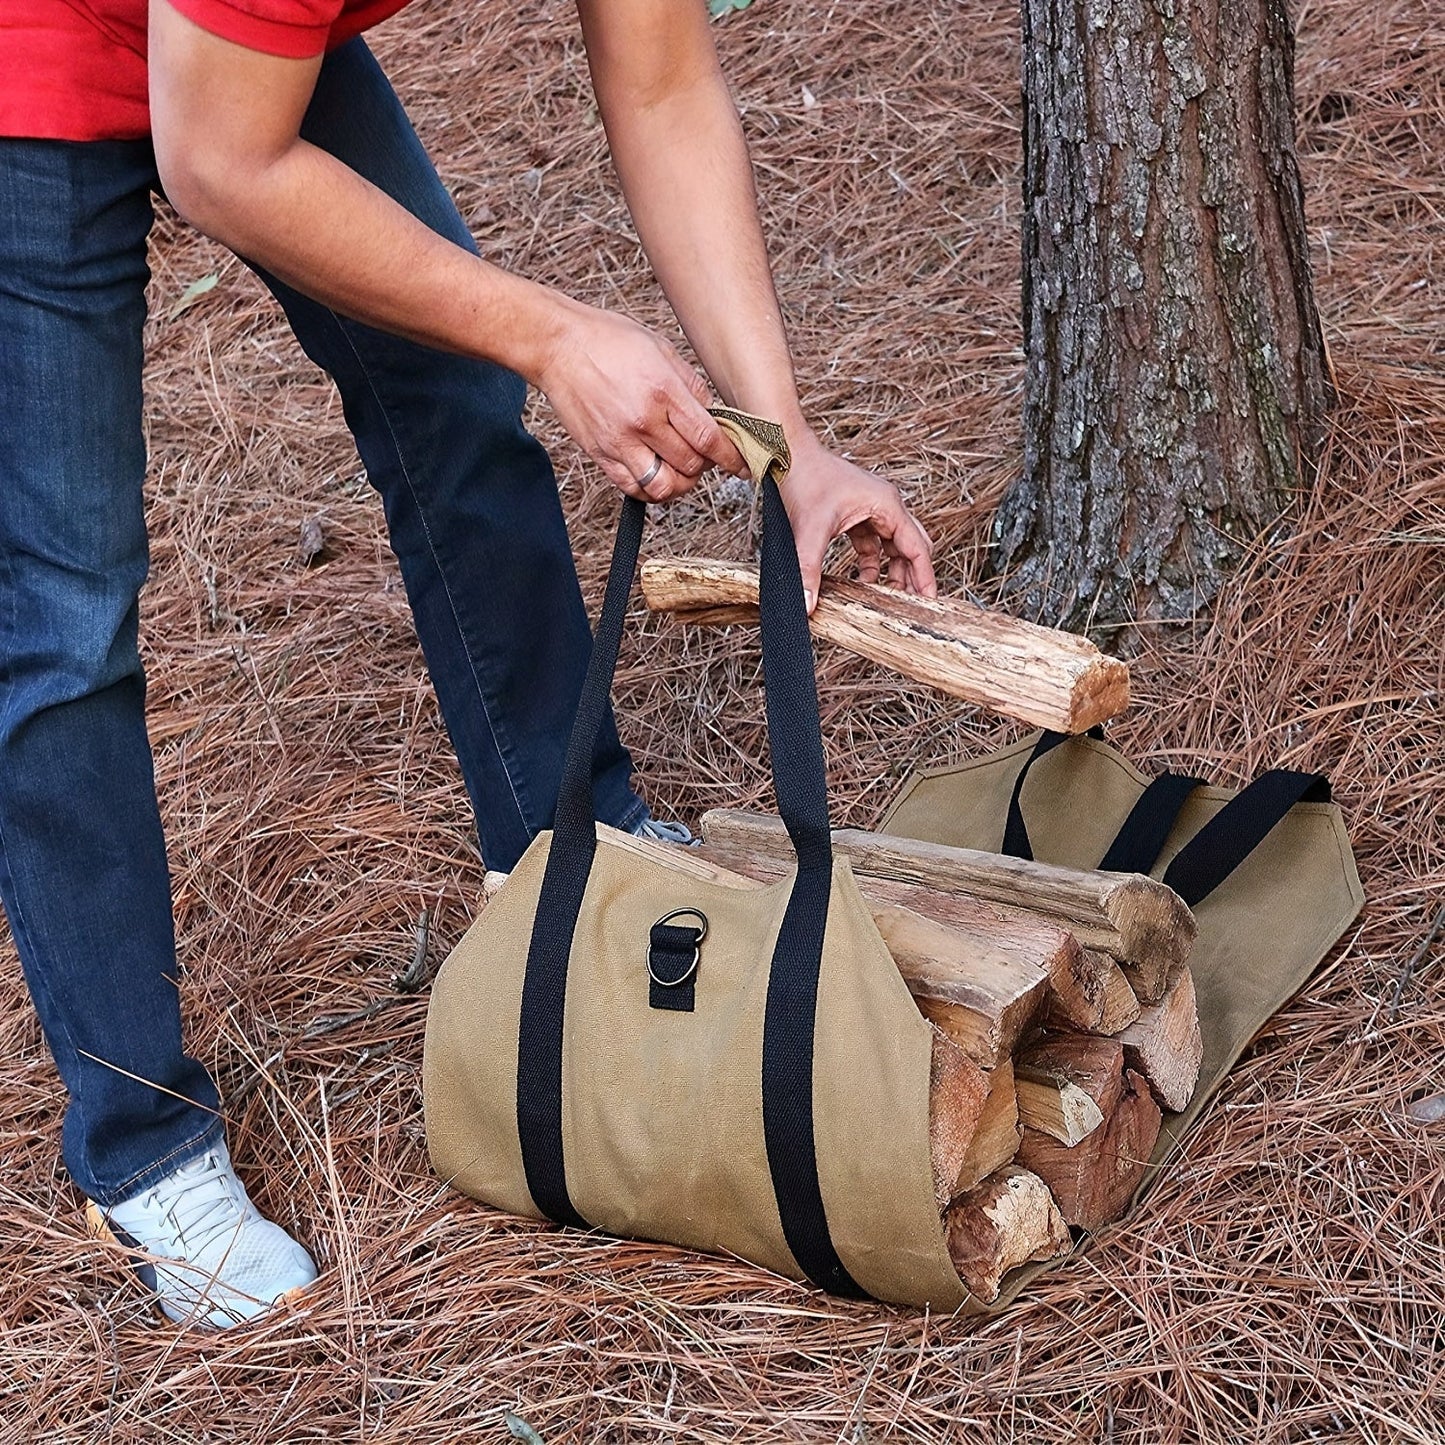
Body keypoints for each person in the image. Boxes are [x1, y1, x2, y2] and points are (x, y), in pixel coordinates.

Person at [0, 0, 937, 1329]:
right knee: (65, 609)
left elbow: (664, 83)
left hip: (238, 55)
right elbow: (217, 159)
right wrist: (552, 333)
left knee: (455, 401)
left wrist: (788, 446)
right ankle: (142, 1142)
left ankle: (570, 850)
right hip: (30, 65)